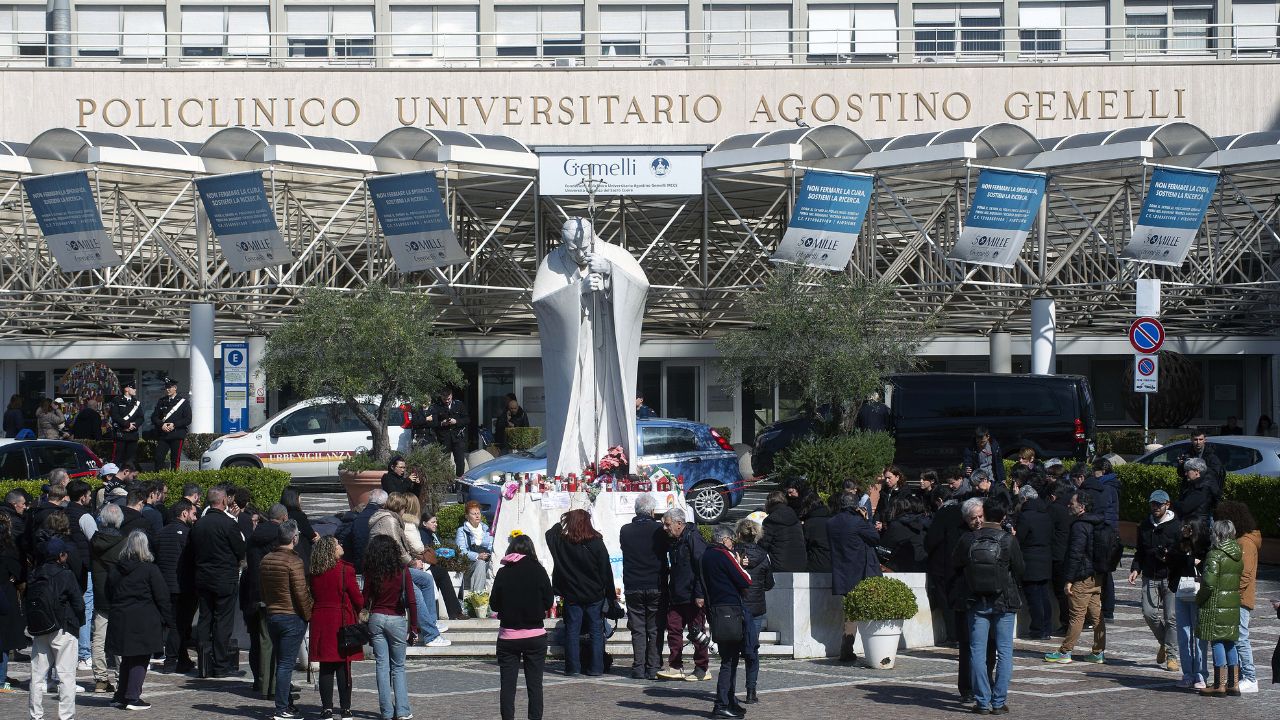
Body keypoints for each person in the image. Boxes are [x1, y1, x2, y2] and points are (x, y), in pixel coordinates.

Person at [952, 497, 1023, 715]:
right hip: (1004, 601)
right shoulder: (1007, 540)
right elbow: (1021, 569)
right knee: (1004, 651)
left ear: (985, 515)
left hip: (976, 601)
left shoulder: (968, 538)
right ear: (1002, 517)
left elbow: (955, 564)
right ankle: (998, 701)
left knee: (976, 651)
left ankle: (982, 702)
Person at [491, 532, 555, 720]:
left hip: (509, 636)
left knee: (508, 686)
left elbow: (494, 604)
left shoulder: (503, 572)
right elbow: (548, 600)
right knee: (535, 685)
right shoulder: (538, 569)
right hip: (535, 634)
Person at [106, 529, 171, 711]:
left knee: (127, 658)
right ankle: (132, 696)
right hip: (143, 619)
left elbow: (108, 593)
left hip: (121, 618)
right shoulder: (150, 569)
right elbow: (162, 596)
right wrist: (169, 620)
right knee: (140, 659)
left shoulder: (116, 569)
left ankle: (121, 695)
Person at [546, 508, 614, 677]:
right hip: (594, 594)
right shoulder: (597, 542)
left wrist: (564, 521)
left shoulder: (562, 542)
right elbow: (606, 571)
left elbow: (550, 532)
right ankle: (596, 668)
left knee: (572, 631)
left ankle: (573, 668)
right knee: (596, 632)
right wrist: (611, 595)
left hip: (572, 594)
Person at [190, 486, 247, 678]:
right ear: (223, 501)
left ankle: (204, 662)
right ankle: (221, 664)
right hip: (224, 577)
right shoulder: (228, 524)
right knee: (223, 620)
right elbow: (240, 549)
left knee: (205, 618)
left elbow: (193, 549)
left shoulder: (199, 523)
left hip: (203, 577)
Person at [259, 520, 314, 720]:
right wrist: (308, 615)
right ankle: (281, 708)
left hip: (273, 614)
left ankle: (286, 703)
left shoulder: (266, 559)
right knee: (285, 664)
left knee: (281, 661)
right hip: (291, 616)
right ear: (294, 538)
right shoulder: (294, 561)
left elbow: (264, 590)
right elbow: (301, 593)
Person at [1044, 491, 1106, 664]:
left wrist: (1069, 580)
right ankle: (1098, 652)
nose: (1069, 505)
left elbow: (1075, 554)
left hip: (1082, 576)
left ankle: (1065, 652)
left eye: (1072, 503)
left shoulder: (1080, 526)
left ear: (1082, 507)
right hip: (1096, 576)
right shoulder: (1098, 522)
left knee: (1077, 615)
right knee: (1096, 615)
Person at [27, 537, 84, 720]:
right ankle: (66, 716)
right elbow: (79, 604)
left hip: (40, 627)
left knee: (37, 674)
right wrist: (79, 622)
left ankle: (35, 715)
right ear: (61, 556)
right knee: (66, 675)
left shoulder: (35, 574)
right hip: (64, 627)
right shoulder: (66, 575)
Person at [308, 535, 364, 720]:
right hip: (341, 619)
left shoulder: (315, 571)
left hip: (321, 619)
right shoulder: (344, 570)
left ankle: (327, 709)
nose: (340, 545)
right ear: (331, 550)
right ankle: (346, 709)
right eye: (337, 544)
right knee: (343, 666)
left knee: (325, 666)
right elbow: (357, 598)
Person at [363, 535, 418, 720]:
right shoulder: (401, 570)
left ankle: (386, 711)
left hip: (376, 617)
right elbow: (411, 600)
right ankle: (402, 710)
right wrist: (414, 627)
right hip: (396, 618)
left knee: (382, 665)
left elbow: (365, 598)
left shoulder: (372, 571)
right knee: (398, 667)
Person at [1128, 489, 1182, 672]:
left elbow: (1183, 552)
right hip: (1150, 575)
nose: (1156, 507)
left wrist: (1169, 555)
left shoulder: (1176, 526)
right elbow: (1140, 551)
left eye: (1159, 504)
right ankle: (1165, 643)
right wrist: (1135, 568)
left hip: (1170, 577)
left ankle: (1172, 656)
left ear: (1167, 505)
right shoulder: (1145, 525)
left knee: (1171, 618)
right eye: (1153, 504)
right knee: (1148, 613)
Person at [701, 524, 751, 719]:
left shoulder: (706, 555)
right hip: (729, 610)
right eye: (732, 541)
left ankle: (729, 700)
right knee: (729, 661)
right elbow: (745, 579)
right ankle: (721, 704)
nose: (733, 545)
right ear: (725, 540)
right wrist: (739, 562)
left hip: (717, 610)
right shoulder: (723, 554)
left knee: (730, 658)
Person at [656, 507, 710, 681]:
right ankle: (675, 666)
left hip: (692, 595)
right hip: (677, 594)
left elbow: (702, 567)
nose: (665, 528)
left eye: (668, 524)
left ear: (679, 524)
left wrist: (700, 593)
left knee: (697, 631)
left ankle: (702, 668)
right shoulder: (675, 540)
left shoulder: (693, 538)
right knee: (673, 629)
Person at [828, 491, 881, 662]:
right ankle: (850, 649)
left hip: (841, 573)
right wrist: (866, 520)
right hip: (860, 572)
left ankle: (847, 649)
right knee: (860, 613)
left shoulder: (831, 523)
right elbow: (874, 537)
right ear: (856, 505)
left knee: (851, 613)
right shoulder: (858, 522)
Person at [619, 493, 667, 680]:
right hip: (655, 583)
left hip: (633, 584)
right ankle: (653, 666)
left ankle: (638, 667)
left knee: (638, 628)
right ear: (652, 511)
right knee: (655, 627)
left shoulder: (626, 530)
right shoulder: (659, 529)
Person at [1214, 501, 1260, 693]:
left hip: (1240, 599)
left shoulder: (1245, 543)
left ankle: (1250, 677)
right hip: (1236, 598)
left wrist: (1230, 593)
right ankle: (1239, 678)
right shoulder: (1242, 541)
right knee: (1235, 638)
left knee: (1241, 637)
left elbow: (1245, 575)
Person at [1196, 519, 1243, 696]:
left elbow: (1208, 583)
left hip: (1216, 604)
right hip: (1232, 604)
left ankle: (1219, 685)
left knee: (1216, 640)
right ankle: (1233, 684)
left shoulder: (1215, 554)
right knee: (1230, 641)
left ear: (1217, 534)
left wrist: (1199, 599)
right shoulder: (1238, 553)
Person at [244, 503, 286, 695]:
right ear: (284, 518)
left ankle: (260, 681)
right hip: (274, 594)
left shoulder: (254, 535)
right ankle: (273, 685)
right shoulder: (279, 537)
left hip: (254, 592)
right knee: (274, 641)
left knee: (259, 641)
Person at [400, 494, 448, 647]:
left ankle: (431, 622)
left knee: (427, 579)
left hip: (405, 565)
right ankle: (430, 634)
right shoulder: (407, 524)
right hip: (400, 568)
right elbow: (416, 547)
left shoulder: (398, 522)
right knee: (417, 592)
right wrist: (413, 561)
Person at [156, 498, 198, 673]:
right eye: (194, 514)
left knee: (175, 623)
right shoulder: (188, 534)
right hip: (182, 586)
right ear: (184, 513)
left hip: (164, 585)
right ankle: (172, 660)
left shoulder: (160, 533)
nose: (195, 518)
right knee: (179, 625)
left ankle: (182, 658)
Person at [1169, 519, 1210, 689]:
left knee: (1199, 636)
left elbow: (1206, 568)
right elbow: (1171, 561)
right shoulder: (1179, 545)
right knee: (1184, 635)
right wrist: (1186, 560)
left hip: (1198, 594)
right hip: (1181, 593)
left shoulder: (1205, 548)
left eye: (1189, 529)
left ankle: (1201, 674)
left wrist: (1193, 561)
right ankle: (1187, 673)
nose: (1185, 531)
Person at [735, 518, 772, 705]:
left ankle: (728, 690)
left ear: (739, 535)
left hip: (735, 607)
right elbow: (769, 583)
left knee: (732, 650)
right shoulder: (764, 556)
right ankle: (751, 691)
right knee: (752, 650)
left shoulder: (733, 554)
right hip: (756, 608)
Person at [89, 503, 125, 693]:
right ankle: (121, 678)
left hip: (100, 593)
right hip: (119, 595)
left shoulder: (94, 541)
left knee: (99, 637)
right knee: (120, 637)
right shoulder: (124, 542)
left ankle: (101, 679)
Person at [1015, 485, 1053, 640]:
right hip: (1045, 557)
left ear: (1024, 499)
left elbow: (1020, 539)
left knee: (1034, 597)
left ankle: (1037, 629)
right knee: (1044, 595)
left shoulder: (1026, 516)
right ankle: (1046, 628)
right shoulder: (1045, 513)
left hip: (1030, 559)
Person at [422, 513, 465, 621]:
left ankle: (455, 611)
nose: (436, 524)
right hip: (425, 566)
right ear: (424, 523)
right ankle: (455, 612)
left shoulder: (432, 535)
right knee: (442, 573)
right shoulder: (424, 534)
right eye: (433, 522)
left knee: (443, 572)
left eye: (436, 522)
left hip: (432, 565)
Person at [1046, 480, 1075, 635]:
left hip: (1057, 554)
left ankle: (1065, 623)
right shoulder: (1071, 506)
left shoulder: (1054, 508)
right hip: (1070, 552)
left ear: (1052, 496)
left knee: (1061, 591)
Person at [0, 513, 24, 693]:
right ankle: (1, 682)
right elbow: (17, 572)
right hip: (4, 594)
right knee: (4, 641)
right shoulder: (8, 549)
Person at [878, 495, 928, 573]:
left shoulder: (896, 525)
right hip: (924, 565)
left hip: (903, 568)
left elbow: (883, 550)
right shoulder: (923, 521)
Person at [149, 378, 191, 471]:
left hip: (177, 434)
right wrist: (161, 424)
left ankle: (173, 479)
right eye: (166, 387)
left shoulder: (183, 402)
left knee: (175, 460)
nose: (167, 389)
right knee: (158, 457)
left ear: (175, 388)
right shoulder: (161, 401)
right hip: (164, 435)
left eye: (169, 387)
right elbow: (154, 417)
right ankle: (158, 479)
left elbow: (188, 419)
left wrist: (174, 424)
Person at [454, 501, 494, 599]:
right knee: (480, 563)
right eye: (473, 514)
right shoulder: (462, 531)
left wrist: (489, 555)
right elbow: (461, 552)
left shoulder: (486, 529)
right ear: (467, 516)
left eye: (478, 513)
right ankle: (478, 598)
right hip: (469, 564)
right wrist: (477, 556)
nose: (477, 516)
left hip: (487, 560)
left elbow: (491, 546)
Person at [759, 491, 806, 572]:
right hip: (801, 563)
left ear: (769, 503)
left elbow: (763, 544)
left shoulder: (770, 520)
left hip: (779, 565)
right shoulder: (794, 516)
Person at [431, 388, 470, 478]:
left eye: (448, 399)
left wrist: (456, 421)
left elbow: (467, 419)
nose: (447, 401)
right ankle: (447, 481)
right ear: (441, 397)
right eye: (444, 399)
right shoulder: (436, 407)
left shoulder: (459, 405)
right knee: (444, 461)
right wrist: (442, 423)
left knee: (460, 461)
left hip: (457, 437)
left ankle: (459, 481)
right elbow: (433, 423)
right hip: (444, 438)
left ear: (451, 396)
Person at [349, 489, 386, 572]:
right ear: (384, 504)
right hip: (377, 565)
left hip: (358, 563)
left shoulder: (357, 517)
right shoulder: (383, 518)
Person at [280, 488, 318, 571]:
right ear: (294, 499)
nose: (301, 499)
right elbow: (310, 534)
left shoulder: (282, 513)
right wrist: (316, 536)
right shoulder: (299, 515)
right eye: (299, 496)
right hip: (301, 551)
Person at [1177, 457, 1219, 530]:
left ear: (1197, 471)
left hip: (1198, 526)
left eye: (1188, 471)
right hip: (1195, 523)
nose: (1185, 473)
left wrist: (1171, 504)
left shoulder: (1203, 487)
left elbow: (1186, 507)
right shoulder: (1194, 484)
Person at [108, 382, 143, 468]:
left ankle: (129, 478)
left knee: (131, 459)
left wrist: (133, 425)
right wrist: (127, 425)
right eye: (133, 388)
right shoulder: (117, 400)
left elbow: (141, 417)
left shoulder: (136, 402)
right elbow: (115, 415)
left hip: (132, 434)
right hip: (121, 434)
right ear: (127, 389)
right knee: (117, 458)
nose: (135, 390)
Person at [801, 492, 833, 572]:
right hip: (834, 564)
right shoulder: (832, 520)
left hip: (816, 564)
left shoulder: (809, 524)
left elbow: (803, 546)